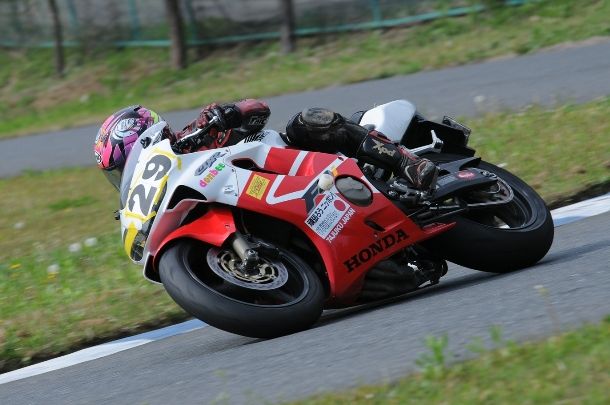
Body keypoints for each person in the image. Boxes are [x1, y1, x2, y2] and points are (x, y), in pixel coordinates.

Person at [94, 100, 438, 191]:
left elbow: (258, 110)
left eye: (127, 164)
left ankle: (406, 163)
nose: (130, 174)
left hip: (295, 163)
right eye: (120, 174)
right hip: (263, 196)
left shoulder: (199, 131)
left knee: (304, 121)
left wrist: (229, 114)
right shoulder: (170, 193)